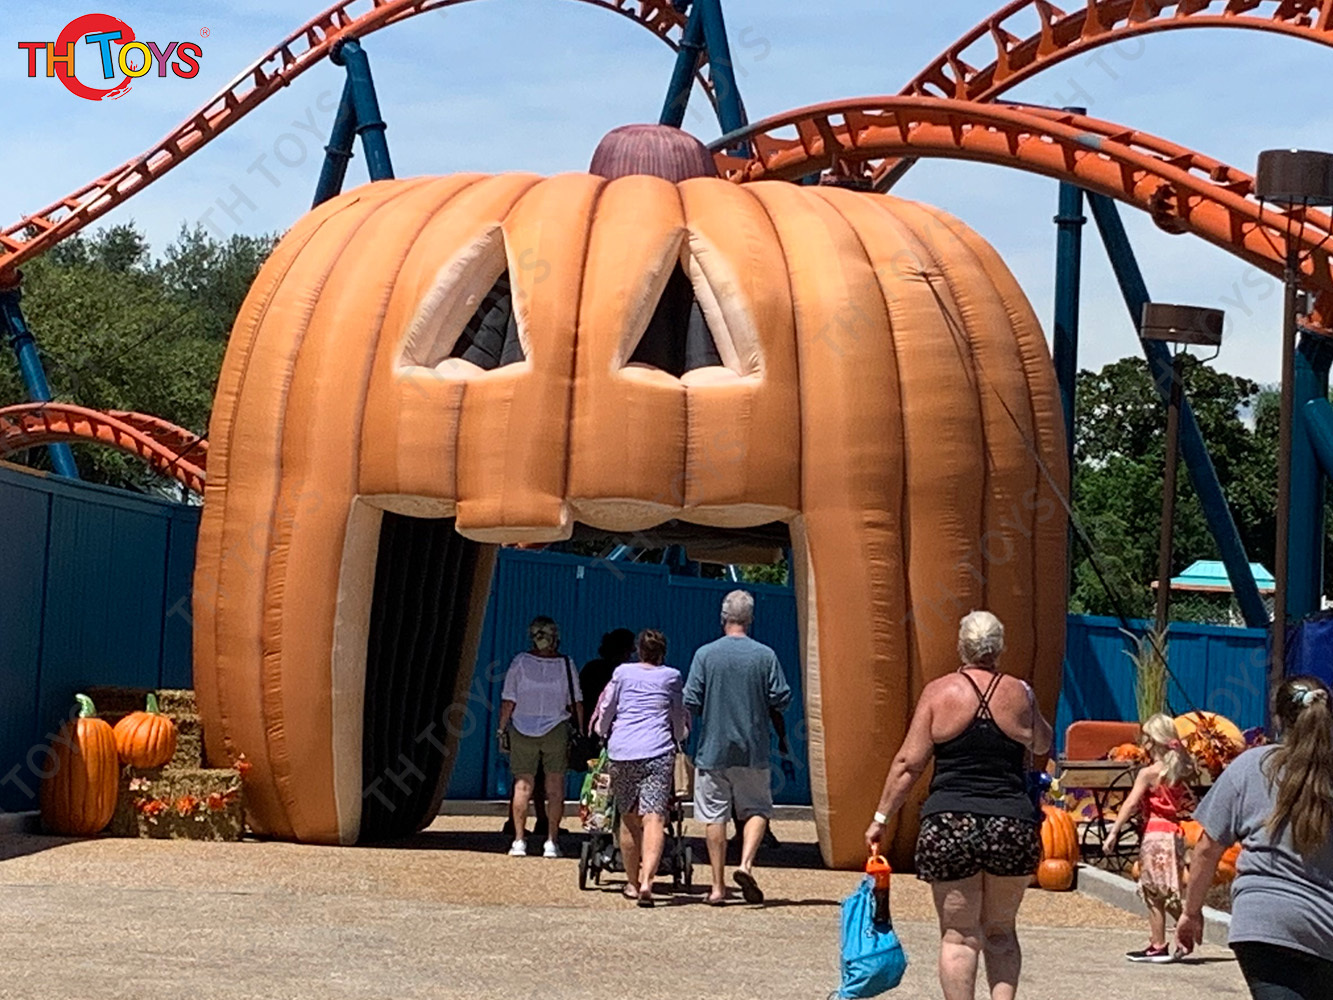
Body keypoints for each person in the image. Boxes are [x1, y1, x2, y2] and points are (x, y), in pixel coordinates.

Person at [864, 610, 1053, 1000]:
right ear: (999, 648)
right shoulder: (1020, 692)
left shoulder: (939, 692)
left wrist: (881, 817)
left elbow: (908, 764)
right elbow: (1042, 743)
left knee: (959, 935)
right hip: (1010, 823)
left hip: (950, 823)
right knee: (1001, 932)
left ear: (961, 646)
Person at [1177, 676, 1333, 999]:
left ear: (1278, 719)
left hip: (1263, 924)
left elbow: (1207, 849)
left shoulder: (1251, 766)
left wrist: (1191, 912)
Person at [683, 589, 791, 906]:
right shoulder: (765, 656)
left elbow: (691, 700)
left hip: (713, 749)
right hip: (753, 749)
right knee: (757, 808)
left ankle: (717, 887)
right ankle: (745, 864)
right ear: (750, 619)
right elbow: (781, 697)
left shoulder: (705, 655)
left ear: (723, 617)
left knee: (714, 816)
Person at [593, 628, 688, 907]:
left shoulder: (622, 673)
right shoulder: (672, 677)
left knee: (629, 817)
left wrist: (602, 730)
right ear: (663, 653)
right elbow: (677, 713)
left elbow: (608, 707)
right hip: (657, 750)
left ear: (638, 650)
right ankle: (648, 881)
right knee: (654, 817)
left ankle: (633, 883)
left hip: (623, 751)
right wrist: (679, 736)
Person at [1100, 713, 1199, 963]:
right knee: (1171, 888)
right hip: (1175, 832)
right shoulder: (1182, 768)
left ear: (1152, 740)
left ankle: (1158, 944)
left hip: (1155, 834)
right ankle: (1189, 923)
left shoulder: (1149, 773)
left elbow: (1131, 803)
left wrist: (1114, 832)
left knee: (1153, 892)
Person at [496, 615, 585, 859]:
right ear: (555, 637)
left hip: (522, 727)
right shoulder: (565, 663)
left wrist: (502, 729)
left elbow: (509, 700)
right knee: (555, 787)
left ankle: (519, 841)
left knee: (522, 785)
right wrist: (582, 730)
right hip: (556, 728)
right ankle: (551, 841)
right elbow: (576, 701)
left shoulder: (520, 662)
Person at [580, 628, 636, 721]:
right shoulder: (625, 673)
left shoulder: (591, 667)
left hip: (592, 721)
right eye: (632, 651)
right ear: (625, 651)